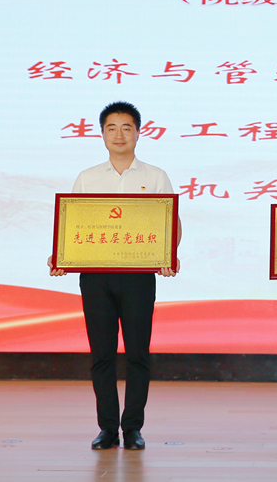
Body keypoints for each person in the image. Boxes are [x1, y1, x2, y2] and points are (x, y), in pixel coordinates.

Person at [49, 101, 180, 451]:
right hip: (96, 277)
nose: (119, 134)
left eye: (126, 128)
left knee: (138, 354)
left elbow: (171, 221)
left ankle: (132, 428)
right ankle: (107, 428)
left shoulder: (155, 176)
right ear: (102, 133)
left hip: (138, 277)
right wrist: (60, 255)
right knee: (102, 355)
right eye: (111, 128)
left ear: (138, 132)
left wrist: (168, 255)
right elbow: (74, 224)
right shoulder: (88, 177)